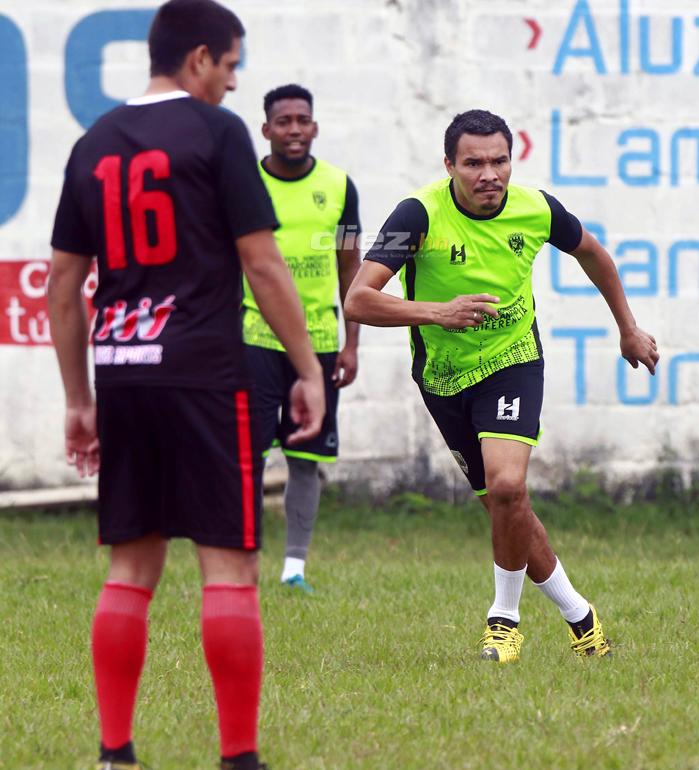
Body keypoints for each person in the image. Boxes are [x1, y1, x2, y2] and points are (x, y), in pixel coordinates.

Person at [47, 2, 324, 768]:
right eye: (231, 67)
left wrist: (79, 399)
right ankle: (238, 758)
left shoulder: (93, 144)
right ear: (199, 58)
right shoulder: (217, 134)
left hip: (125, 378)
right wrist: (308, 369)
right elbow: (263, 264)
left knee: (131, 568)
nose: (234, 85)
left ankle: (114, 753)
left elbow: (63, 283)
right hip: (205, 376)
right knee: (228, 565)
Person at [344, 109, 658, 663]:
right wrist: (437, 313)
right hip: (442, 376)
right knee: (504, 509)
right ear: (449, 165)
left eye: (499, 161)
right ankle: (581, 619)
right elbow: (359, 299)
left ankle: (503, 622)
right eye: (474, 163)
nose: (489, 174)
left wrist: (628, 330)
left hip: (514, 360)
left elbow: (594, 253)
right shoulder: (416, 214)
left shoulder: (537, 208)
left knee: (509, 488)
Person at [245, 83, 361, 593]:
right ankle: (241, 567)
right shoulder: (242, 183)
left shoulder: (338, 186)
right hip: (252, 338)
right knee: (244, 456)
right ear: (266, 128)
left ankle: (294, 570)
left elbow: (351, 266)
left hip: (319, 342)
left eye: (303, 120)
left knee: (307, 459)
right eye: (284, 121)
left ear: (314, 127)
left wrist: (351, 342)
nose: (294, 129)